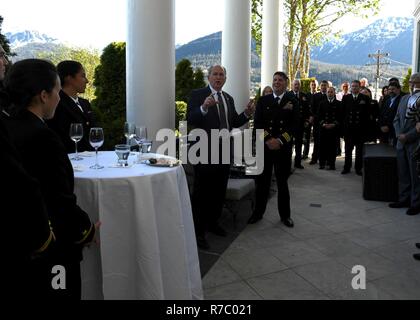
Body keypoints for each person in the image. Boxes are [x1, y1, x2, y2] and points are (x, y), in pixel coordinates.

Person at [3, 59, 98, 299]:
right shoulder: (43, 137)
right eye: (57, 91)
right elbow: (58, 199)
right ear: (44, 95)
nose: (59, 97)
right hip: (51, 250)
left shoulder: (7, 127)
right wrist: (86, 230)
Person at [0, 47, 54, 298]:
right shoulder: (39, 134)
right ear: (44, 95)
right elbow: (27, 186)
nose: (4, 60)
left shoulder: (10, 120)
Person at [187, 65, 255, 250]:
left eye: (221, 74)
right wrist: (203, 108)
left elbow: (233, 122)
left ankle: (213, 223)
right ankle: (198, 232)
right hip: (203, 153)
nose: (218, 77)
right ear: (208, 77)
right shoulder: (198, 94)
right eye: (215, 74)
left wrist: (247, 114)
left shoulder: (228, 98)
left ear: (225, 78)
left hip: (225, 153)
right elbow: (191, 119)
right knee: (202, 194)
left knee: (218, 191)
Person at [247, 71, 298, 227]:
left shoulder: (293, 100)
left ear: (286, 83)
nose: (276, 82)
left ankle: (285, 216)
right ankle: (258, 213)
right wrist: (269, 140)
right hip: (266, 147)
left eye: (280, 80)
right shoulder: (263, 100)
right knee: (262, 183)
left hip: (283, 149)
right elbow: (258, 125)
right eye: (274, 79)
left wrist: (281, 140)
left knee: (282, 183)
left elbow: (295, 126)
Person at [47, 60, 96, 154]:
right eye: (82, 76)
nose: (87, 81)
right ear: (69, 78)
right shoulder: (57, 104)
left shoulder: (85, 103)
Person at [389, 73, 420, 216]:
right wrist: (398, 135)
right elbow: (396, 119)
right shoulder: (404, 98)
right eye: (411, 82)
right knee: (403, 173)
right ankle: (403, 199)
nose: (412, 84)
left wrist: (407, 136)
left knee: (415, 175)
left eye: (415, 82)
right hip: (401, 143)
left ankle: (415, 203)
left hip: (415, 143)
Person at [341, 80, 370, 175]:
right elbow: (343, 113)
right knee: (348, 150)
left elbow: (367, 115)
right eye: (353, 86)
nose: (354, 88)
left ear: (359, 87)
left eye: (356, 86)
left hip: (360, 129)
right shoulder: (346, 98)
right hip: (349, 129)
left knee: (359, 151)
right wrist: (343, 129)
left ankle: (358, 168)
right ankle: (347, 167)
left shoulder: (365, 98)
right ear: (351, 87)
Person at [318, 87, 341, 170]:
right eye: (328, 92)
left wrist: (334, 124)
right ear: (326, 93)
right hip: (323, 128)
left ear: (334, 93)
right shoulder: (322, 103)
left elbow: (340, 117)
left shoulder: (339, 103)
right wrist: (323, 124)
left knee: (333, 147)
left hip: (334, 129)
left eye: (331, 92)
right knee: (322, 147)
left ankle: (332, 164)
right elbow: (319, 116)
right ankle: (322, 164)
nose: (330, 93)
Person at [291, 79, 311, 169]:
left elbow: (307, 110)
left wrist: (307, 121)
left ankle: (297, 163)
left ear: (300, 86)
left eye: (298, 84)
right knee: (288, 145)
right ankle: (287, 164)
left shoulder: (304, 96)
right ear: (292, 85)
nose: (296, 86)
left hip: (300, 125)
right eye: (295, 84)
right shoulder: (288, 95)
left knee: (299, 145)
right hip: (290, 126)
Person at [309, 80, 329, 165]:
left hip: (327, 122)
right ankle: (314, 158)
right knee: (317, 141)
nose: (323, 87)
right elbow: (312, 109)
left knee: (326, 142)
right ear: (320, 87)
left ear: (327, 87)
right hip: (317, 122)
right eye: (322, 85)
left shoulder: (330, 95)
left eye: (325, 85)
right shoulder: (315, 96)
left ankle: (326, 159)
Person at [303, 79, 318, 160]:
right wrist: (308, 118)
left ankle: (315, 155)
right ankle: (305, 154)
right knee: (307, 137)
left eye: (315, 84)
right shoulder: (306, 95)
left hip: (316, 119)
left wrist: (314, 117)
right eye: (312, 84)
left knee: (316, 138)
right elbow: (305, 108)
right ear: (310, 86)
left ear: (317, 86)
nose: (313, 86)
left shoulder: (319, 95)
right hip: (308, 119)